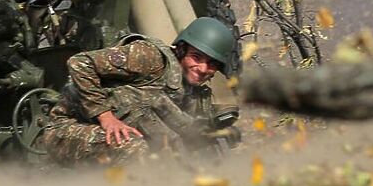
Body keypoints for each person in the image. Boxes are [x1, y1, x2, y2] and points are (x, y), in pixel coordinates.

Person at [40, 17, 236, 166]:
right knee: (134, 149)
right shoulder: (150, 57)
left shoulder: (196, 93)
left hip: (115, 138)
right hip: (66, 130)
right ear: (182, 50)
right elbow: (80, 63)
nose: (202, 68)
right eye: (196, 57)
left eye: (212, 64)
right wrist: (106, 118)